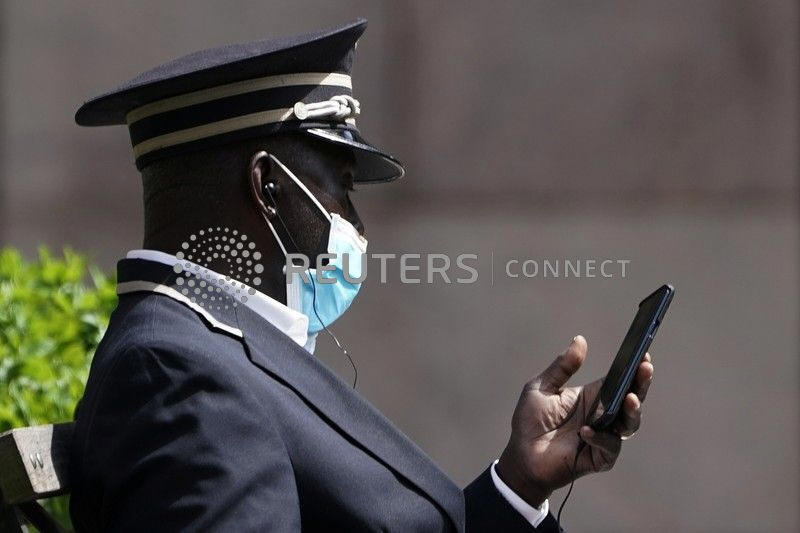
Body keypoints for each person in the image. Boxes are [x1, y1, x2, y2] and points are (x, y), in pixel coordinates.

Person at [68, 19, 653, 532]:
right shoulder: (176, 372)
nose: (355, 221)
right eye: (341, 188)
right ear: (269, 189)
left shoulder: (212, 347)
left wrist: (521, 480)